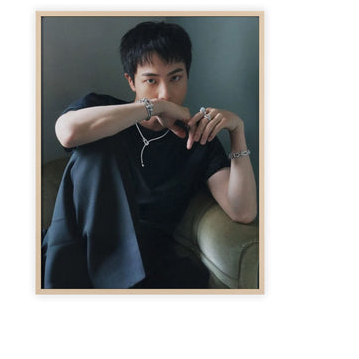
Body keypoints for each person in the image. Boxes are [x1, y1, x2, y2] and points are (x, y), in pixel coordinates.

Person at [42, 21, 257, 289]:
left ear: (187, 77)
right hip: (76, 250)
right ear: (131, 81)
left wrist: (237, 131)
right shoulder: (102, 109)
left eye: (175, 78)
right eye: (151, 81)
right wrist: (154, 108)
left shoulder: (198, 140)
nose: (165, 92)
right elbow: (68, 132)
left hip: (143, 265)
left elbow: (243, 211)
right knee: (100, 141)